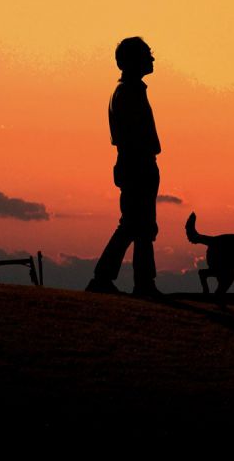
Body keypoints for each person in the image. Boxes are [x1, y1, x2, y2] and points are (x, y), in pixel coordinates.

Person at [86, 37, 164, 297]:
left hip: (137, 164)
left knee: (140, 227)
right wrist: (141, 165)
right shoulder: (128, 92)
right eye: (147, 55)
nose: (152, 59)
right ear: (132, 61)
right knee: (135, 225)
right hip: (137, 164)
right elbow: (132, 137)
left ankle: (140, 283)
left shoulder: (130, 90)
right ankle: (111, 279)